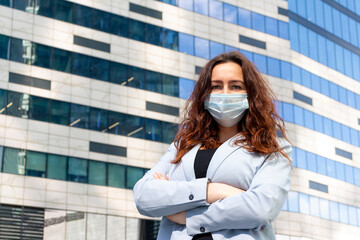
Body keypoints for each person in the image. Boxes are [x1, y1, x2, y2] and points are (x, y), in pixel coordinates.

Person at [133, 51, 292, 240]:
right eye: (216, 86)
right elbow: (144, 196)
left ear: (250, 94)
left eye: (235, 86)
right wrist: (213, 191)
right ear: (205, 95)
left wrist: (184, 214)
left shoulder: (272, 149)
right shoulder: (182, 146)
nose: (225, 93)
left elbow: (260, 209)